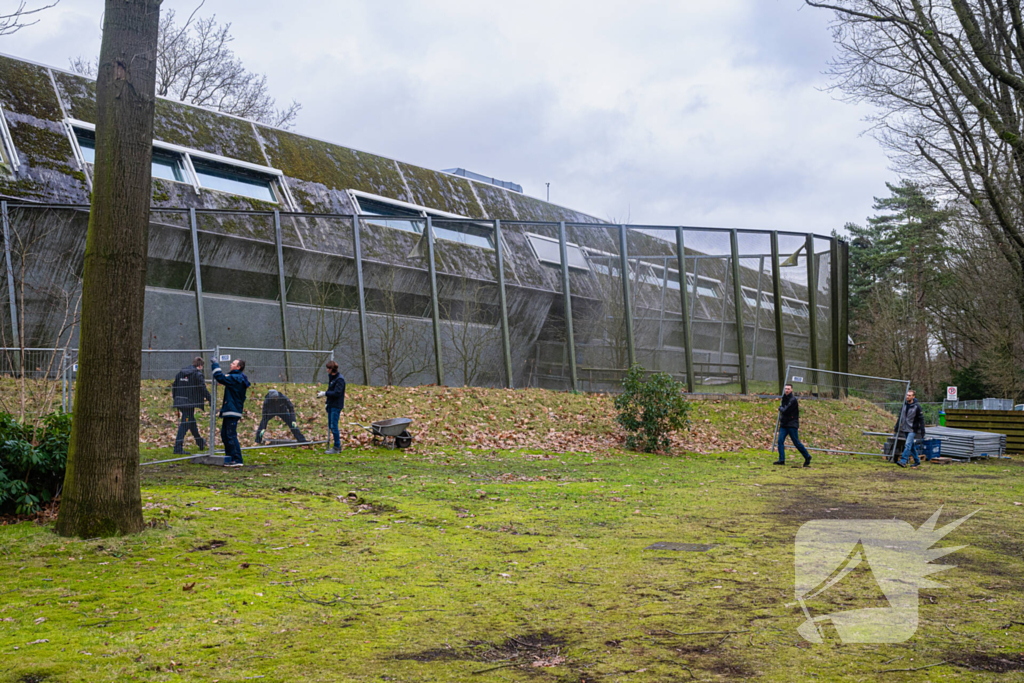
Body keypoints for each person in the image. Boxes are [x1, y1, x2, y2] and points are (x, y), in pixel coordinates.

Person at [211, 357, 250, 467]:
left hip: (232, 410)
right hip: (231, 410)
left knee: (230, 435)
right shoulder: (238, 377)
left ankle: (237, 459)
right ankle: (230, 458)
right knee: (225, 434)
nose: (230, 364)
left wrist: (215, 365)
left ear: (238, 367)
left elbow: (220, 377)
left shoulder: (236, 378)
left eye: (233, 363)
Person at [171, 357, 211, 454]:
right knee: (185, 424)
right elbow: (202, 388)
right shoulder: (197, 374)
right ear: (200, 366)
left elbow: (174, 386)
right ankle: (178, 448)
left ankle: (200, 442)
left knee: (190, 421)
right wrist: (210, 399)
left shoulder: (181, 373)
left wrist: (176, 398)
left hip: (179, 401)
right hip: (189, 403)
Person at [774, 383, 812, 467]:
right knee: (780, 441)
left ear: (791, 390)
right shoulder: (784, 398)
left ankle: (807, 456)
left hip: (792, 424)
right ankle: (781, 460)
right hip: (784, 424)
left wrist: (780, 408)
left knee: (796, 442)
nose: (786, 390)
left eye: (788, 389)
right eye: (786, 389)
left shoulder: (793, 400)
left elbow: (785, 410)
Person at [318, 360, 346, 454]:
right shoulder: (332, 377)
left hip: (336, 406)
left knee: (334, 426)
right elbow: (331, 390)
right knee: (331, 426)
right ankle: (336, 446)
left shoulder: (340, 380)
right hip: (331, 404)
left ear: (332, 369)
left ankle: (337, 447)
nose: (327, 370)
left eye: (328, 368)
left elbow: (337, 393)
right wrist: (327, 402)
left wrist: (325, 394)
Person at [895, 389, 926, 468]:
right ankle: (917, 461)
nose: (907, 396)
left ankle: (903, 461)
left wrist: (922, 430)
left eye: (909, 395)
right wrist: (897, 426)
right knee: (911, 446)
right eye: (907, 395)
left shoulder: (917, 407)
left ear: (913, 397)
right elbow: (900, 417)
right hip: (905, 428)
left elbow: (921, 419)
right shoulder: (904, 405)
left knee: (907, 445)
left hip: (912, 429)